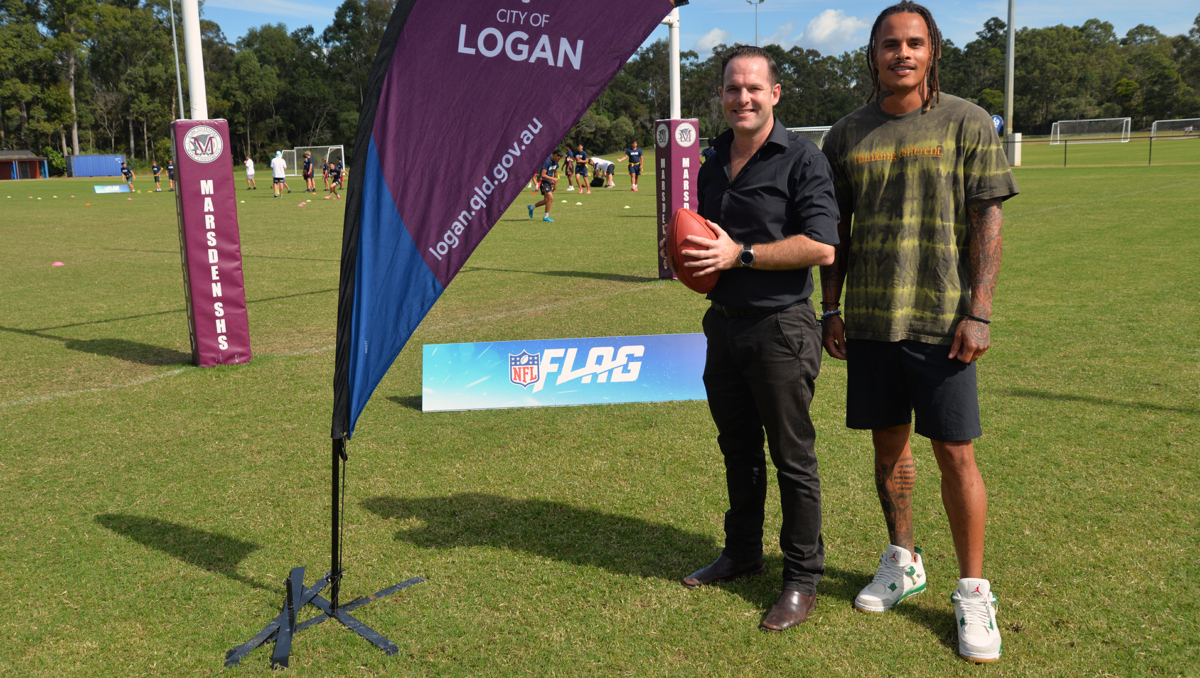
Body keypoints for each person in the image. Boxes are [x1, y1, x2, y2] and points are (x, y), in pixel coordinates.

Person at [818, 1, 1018, 664]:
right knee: (888, 452)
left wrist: (980, 310)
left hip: (944, 320)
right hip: (873, 321)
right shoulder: (845, 135)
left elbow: (988, 218)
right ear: (872, 54)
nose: (901, 54)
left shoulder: (965, 121)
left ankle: (972, 591)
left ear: (931, 51)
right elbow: (835, 234)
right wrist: (831, 306)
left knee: (955, 455)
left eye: (914, 43)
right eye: (889, 44)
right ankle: (903, 558)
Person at [674, 45, 839, 633]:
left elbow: (821, 246)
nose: (741, 97)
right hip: (724, 324)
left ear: (774, 94)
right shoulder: (712, 159)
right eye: (730, 88)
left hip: (782, 328)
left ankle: (802, 579)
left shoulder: (801, 158)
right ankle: (742, 552)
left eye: (752, 88)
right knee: (736, 447)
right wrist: (693, 258)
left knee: (791, 456)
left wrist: (738, 254)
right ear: (720, 96)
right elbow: (704, 241)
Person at [527, 150, 562, 222]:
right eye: (558, 158)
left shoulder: (556, 162)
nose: (559, 160)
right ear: (555, 155)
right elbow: (543, 175)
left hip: (549, 182)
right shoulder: (547, 162)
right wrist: (553, 179)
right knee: (551, 198)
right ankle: (546, 217)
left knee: (546, 200)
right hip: (543, 181)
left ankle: (531, 207)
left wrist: (555, 183)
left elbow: (556, 172)